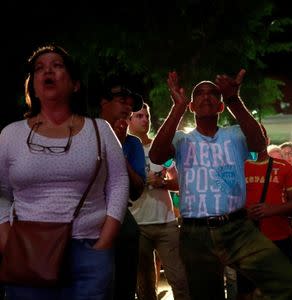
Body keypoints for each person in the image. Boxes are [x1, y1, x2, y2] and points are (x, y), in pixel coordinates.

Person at [149, 69, 292, 300]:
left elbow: (259, 143)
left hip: (237, 228)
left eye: (213, 93)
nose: (206, 97)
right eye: (199, 94)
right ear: (192, 106)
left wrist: (234, 99)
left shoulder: (235, 134)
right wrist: (177, 106)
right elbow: (156, 156)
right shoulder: (182, 139)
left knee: (290, 283)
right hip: (195, 232)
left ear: (221, 107)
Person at [0, 45, 129, 300]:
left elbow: (118, 183)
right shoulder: (10, 135)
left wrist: (105, 241)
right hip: (27, 250)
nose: (48, 70)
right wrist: (5, 238)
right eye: (39, 68)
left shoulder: (100, 130)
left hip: (88, 247)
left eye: (57, 65)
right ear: (33, 86)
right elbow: (1, 192)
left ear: (75, 84)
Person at [127, 103, 190, 300]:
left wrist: (164, 183)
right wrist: (145, 181)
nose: (145, 120)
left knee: (180, 280)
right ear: (128, 120)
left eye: (147, 116)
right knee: (144, 286)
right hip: (138, 225)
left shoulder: (161, 149)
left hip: (166, 222)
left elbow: (179, 181)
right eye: (139, 116)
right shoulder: (123, 149)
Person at [237, 126, 292, 300]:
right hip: (247, 240)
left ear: (266, 141)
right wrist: (244, 210)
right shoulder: (237, 168)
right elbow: (227, 200)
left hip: (279, 238)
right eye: (249, 137)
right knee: (247, 290)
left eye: (259, 137)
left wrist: (271, 210)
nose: (253, 141)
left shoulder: (284, 168)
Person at [99, 82, 145, 300]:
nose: (127, 107)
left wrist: (118, 151)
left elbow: (137, 191)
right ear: (103, 103)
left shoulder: (133, 144)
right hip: (87, 209)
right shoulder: (86, 131)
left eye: (130, 104)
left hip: (117, 211)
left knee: (129, 232)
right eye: (121, 101)